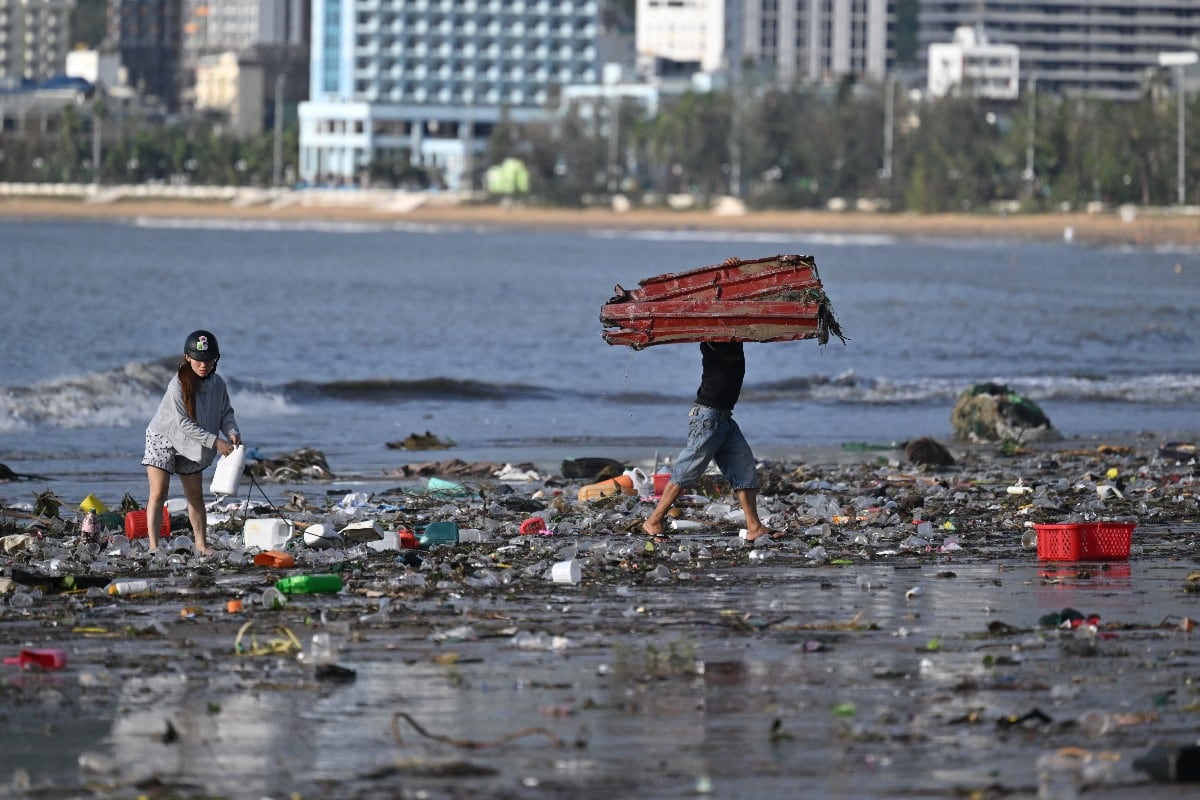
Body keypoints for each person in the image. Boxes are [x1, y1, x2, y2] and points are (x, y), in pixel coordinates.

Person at [642, 339, 782, 544]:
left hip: (724, 418)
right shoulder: (712, 339)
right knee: (688, 469)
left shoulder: (735, 338)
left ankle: (754, 527)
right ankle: (653, 520)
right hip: (708, 418)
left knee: (744, 467)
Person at [142, 330, 241, 554]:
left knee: (195, 495)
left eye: (208, 360)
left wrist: (232, 432)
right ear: (188, 357)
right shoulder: (177, 384)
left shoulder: (219, 385)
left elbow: (226, 413)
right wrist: (216, 442)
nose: (203, 365)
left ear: (216, 359)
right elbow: (183, 424)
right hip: (164, 438)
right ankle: (154, 546)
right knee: (159, 492)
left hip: (194, 444)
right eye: (198, 360)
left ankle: (202, 545)